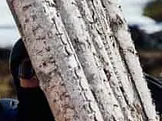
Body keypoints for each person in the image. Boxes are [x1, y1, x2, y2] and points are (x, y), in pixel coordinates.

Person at [8, 38, 162, 121]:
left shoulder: (134, 93)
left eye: (51, 67)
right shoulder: (8, 114)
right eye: (28, 70)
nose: (43, 79)